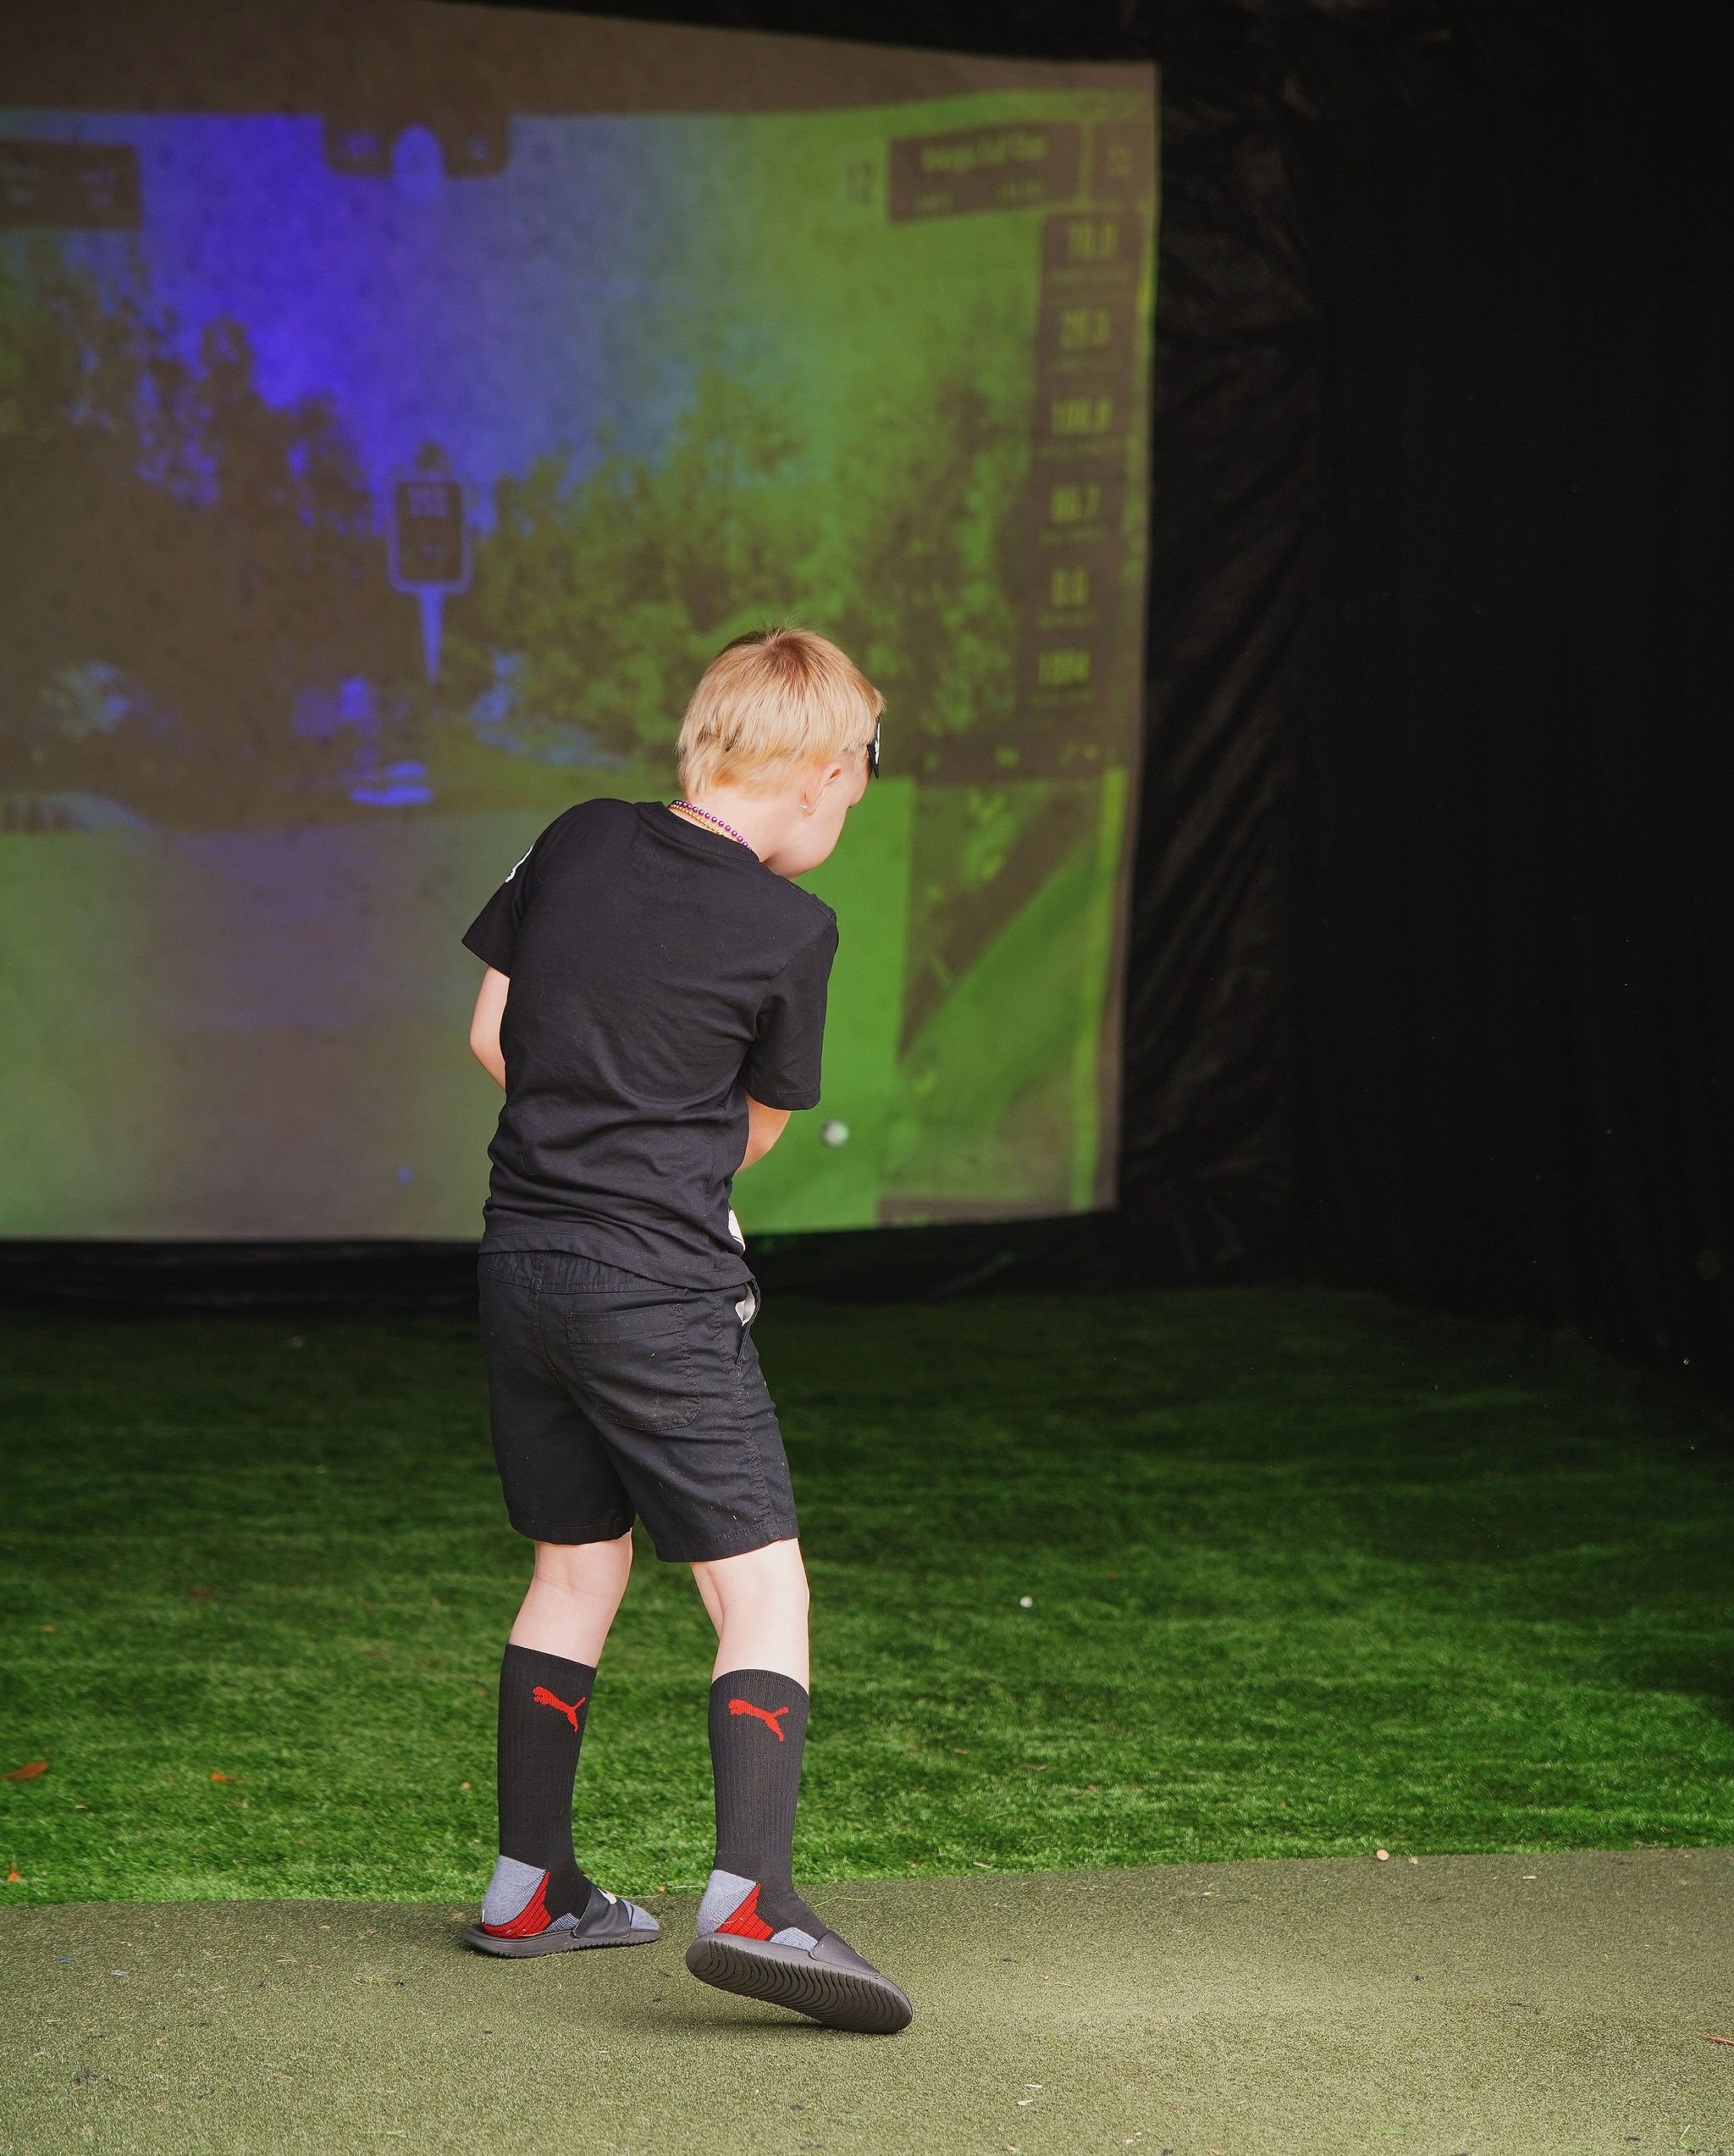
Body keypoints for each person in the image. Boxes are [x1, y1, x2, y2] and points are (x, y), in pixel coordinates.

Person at [457, 626, 911, 2036]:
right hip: (653, 1290)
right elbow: (751, 1132)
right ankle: (754, 1897)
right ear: (826, 775)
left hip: (520, 1269)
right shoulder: (793, 931)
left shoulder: (579, 839)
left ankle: (528, 1885)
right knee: (761, 1591)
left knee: (576, 1564)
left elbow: (493, 1034)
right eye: (857, 788)